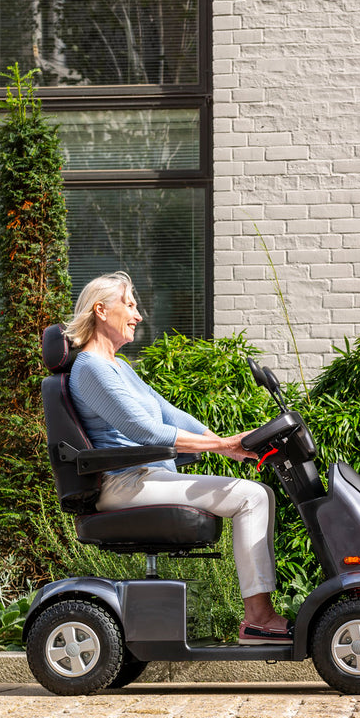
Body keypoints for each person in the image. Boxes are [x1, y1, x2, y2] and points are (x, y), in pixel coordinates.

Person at [63, 271, 292, 645]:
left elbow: (167, 413)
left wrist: (225, 442)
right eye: (131, 305)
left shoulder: (117, 367)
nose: (138, 315)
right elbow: (145, 432)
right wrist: (222, 446)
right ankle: (259, 619)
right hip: (126, 483)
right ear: (101, 310)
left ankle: (260, 616)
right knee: (252, 496)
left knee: (258, 493)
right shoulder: (91, 368)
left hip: (146, 478)